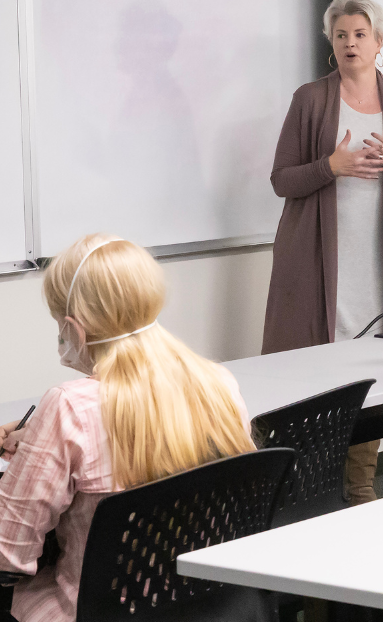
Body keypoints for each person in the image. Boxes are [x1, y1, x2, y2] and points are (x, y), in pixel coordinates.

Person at [0, 235, 254, 622]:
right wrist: (38, 443)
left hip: (98, 612)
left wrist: (31, 459)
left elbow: (9, 555)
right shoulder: (217, 383)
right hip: (209, 602)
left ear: (74, 327)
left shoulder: (68, 406)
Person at [262, 0, 383, 505]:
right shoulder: (310, 99)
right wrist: (330, 166)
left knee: (371, 375)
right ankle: (301, 492)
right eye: (341, 35)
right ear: (331, 43)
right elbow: (280, 180)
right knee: (310, 375)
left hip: (378, 266)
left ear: (380, 43)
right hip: (314, 262)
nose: (350, 43)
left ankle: (360, 489)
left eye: (360, 34)